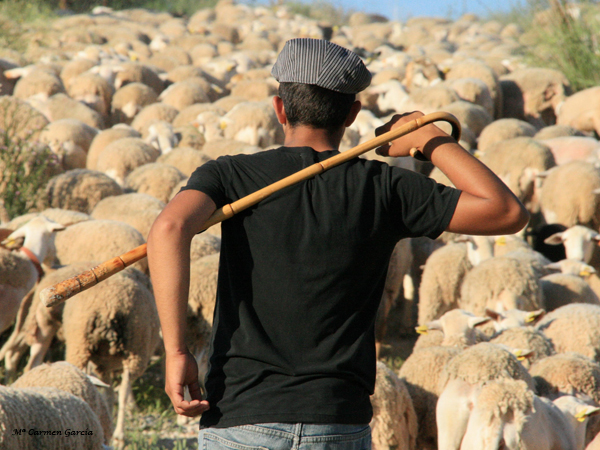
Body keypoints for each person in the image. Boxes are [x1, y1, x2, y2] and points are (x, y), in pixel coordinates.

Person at [146, 38, 529, 449]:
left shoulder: (233, 176)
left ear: (280, 109)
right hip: (336, 422)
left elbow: (168, 229)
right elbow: (506, 211)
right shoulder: (386, 187)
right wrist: (431, 140)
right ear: (352, 114)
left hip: (242, 419)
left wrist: (177, 352)